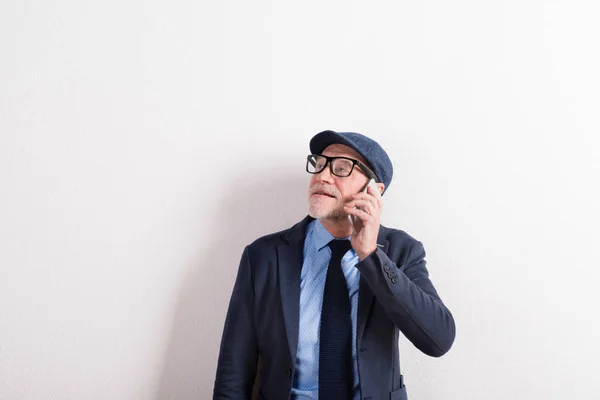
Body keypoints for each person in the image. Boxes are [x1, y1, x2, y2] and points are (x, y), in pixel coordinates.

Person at [213, 130, 456, 400]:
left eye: (341, 168)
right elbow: (233, 371)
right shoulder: (263, 256)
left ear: (374, 190)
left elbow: (438, 339)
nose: (322, 176)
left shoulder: (402, 251)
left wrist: (370, 255)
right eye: (319, 165)